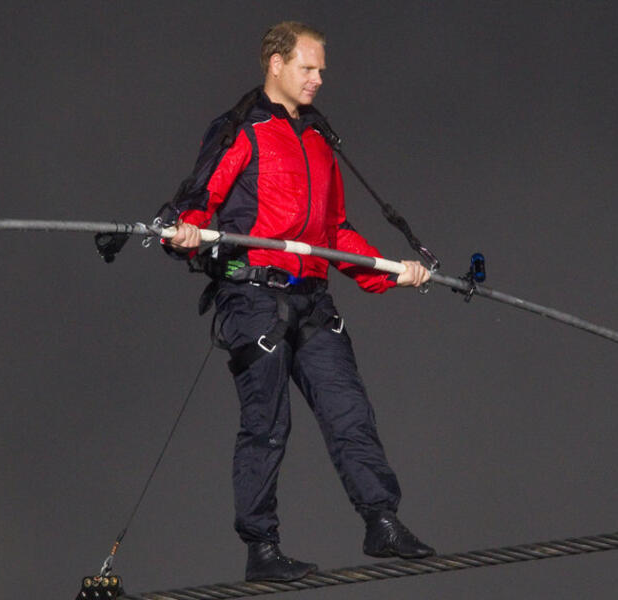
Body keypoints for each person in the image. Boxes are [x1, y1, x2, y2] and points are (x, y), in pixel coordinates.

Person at [158, 21, 435, 582]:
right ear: (275, 64)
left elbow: (334, 231)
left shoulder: (317, 137)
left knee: (349, 411)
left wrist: (394, 272)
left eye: (322, 71)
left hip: (311, 301)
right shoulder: (242, 128)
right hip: (253, 297)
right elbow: (199, 197)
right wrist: (186, 230)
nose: (317, 80)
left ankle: (382, 520)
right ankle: (261, 549)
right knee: (267, 425)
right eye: (308, 68)